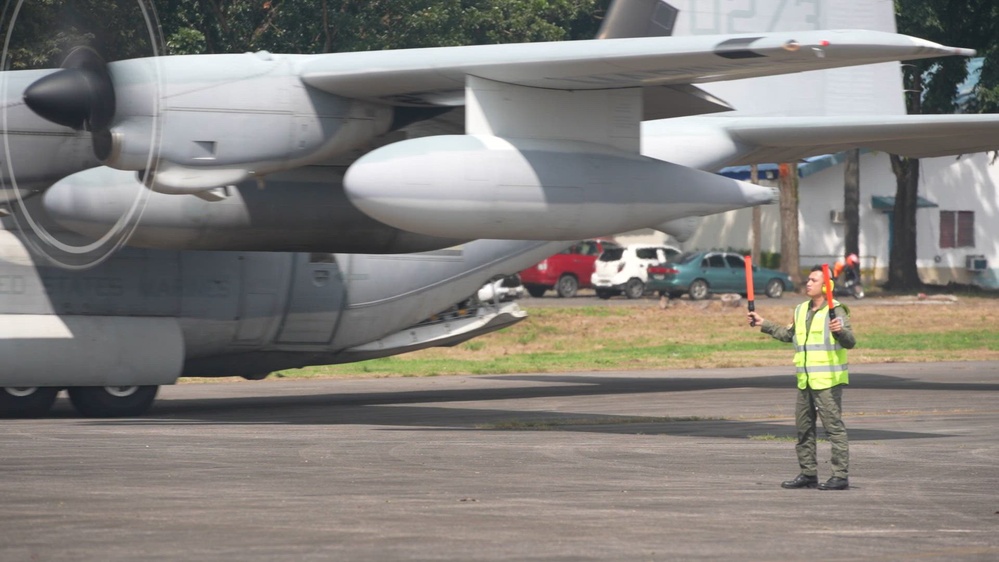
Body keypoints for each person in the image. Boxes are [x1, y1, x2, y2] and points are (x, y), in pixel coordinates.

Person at [747, 265, 856, 491]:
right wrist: (763, 323)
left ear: (827, 286)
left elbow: (850, 341)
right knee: (803, 428)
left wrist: (840, 331)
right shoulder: (801, 310)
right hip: (805, 381)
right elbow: (789, 334)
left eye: (813, 280)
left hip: (828, 381)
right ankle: (808, 473)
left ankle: (840, 475)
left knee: (834, 428)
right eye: (808, 279)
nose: (808, 283)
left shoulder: (837, 311)